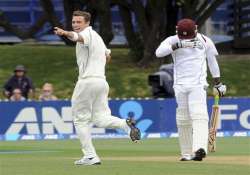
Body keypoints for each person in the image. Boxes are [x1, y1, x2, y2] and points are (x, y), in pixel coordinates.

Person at [54, 10, 141, 165]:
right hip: (101, 82)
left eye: (79, 22)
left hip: (87, 82)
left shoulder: (86, 34)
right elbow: (108, 55)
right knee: (100, 119)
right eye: (73, 22)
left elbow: (77, 37)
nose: (75, 25)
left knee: (80, 120)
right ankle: (124, 124)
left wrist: (65, 32)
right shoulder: (98, 38)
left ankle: (90, 156)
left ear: (87, 23)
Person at [155, 18, 226, 161]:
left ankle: (200, 149)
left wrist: (218, 83)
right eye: (183, 36)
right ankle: (186, 153)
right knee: (183, 119)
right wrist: (178, 45)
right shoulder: (172, 40)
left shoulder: (205, 40)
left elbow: (212, 61)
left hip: (198, 84)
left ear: (196, 30)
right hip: (179, 85)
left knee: (199, 115)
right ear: (177, 31)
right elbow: (158, 53)